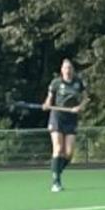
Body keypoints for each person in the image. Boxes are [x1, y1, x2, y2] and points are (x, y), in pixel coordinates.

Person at [43, 55, 86, 192]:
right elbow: (49, 100)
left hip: (71, 118)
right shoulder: (56, 83)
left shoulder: (78, 82)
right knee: (58, 148)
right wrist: (47, 105)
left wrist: (80, 107)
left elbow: (86, 98)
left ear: (72, 70)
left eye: (69, 68)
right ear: (61, 70)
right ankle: (56, 182)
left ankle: (56, 170)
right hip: (57, 117)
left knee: (68, 153)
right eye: (65, 68)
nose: (67, 70)